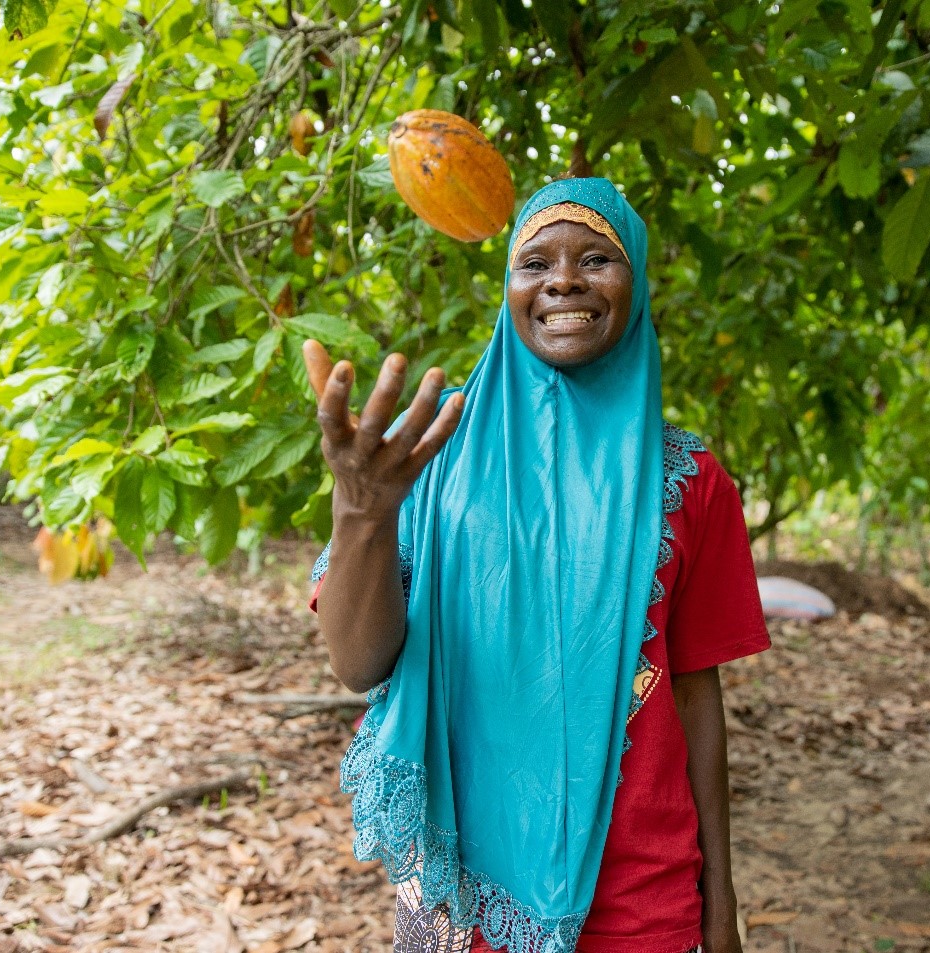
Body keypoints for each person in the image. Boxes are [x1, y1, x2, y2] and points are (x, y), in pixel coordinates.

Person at [305, 178, 769, 953]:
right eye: (535, 262)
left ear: (637, 283)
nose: (563, 280)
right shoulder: (428, 450)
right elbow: (359, 663)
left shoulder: (691, 480)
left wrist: (720, 898)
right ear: (509, 289)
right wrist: (361, 509)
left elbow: (695, 694)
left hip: (643, 894)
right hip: (465, 892)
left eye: (597, 257)